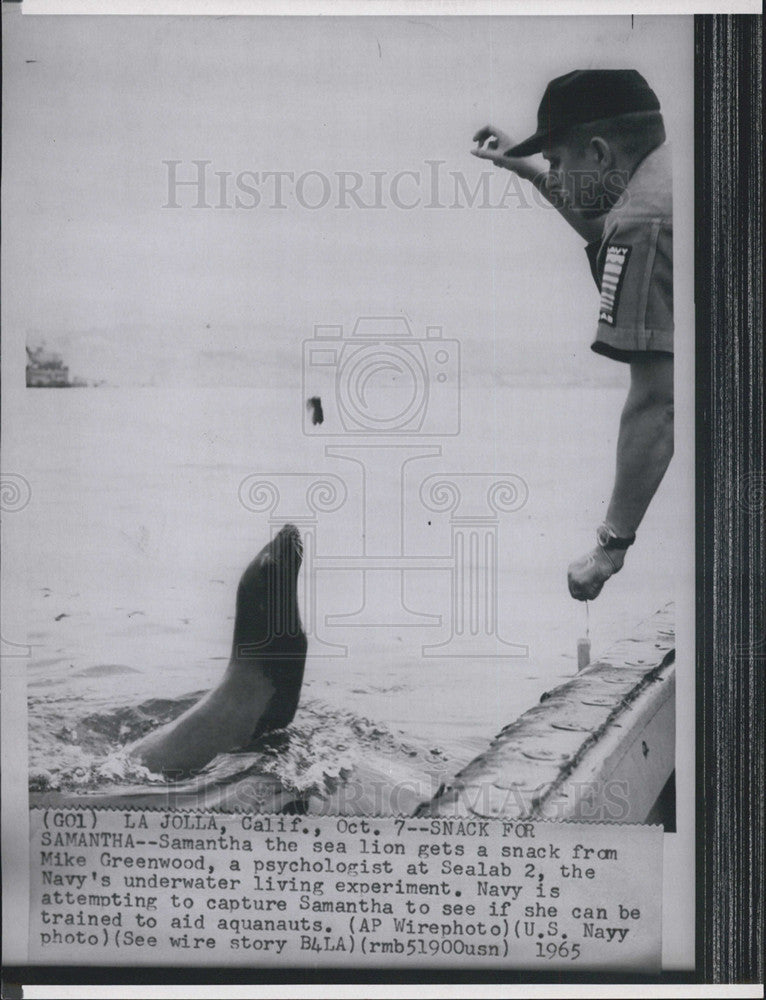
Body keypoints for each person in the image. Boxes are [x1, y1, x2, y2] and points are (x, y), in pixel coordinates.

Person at [472, 69, 674, 601]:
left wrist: (610, 548)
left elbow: (659, 405)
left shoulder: (646, 222)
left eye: (559, 162)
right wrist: (534, 173)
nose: (554, 174)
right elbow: (610, 230)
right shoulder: (671, 183)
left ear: (601, 154)